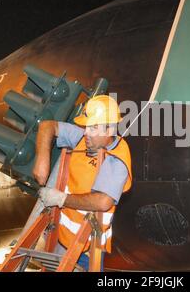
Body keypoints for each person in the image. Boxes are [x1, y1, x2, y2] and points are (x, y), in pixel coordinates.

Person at [32, 94, 132, 271]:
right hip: (59, 238)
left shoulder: (117, 159)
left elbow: (102, 202)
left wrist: (61, 199)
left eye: (93, 128)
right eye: (86, 126)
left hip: (86, 247)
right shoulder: (84, 139)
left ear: (109, 130)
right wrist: (42, 160)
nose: (86, 132)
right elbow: (47, 126)